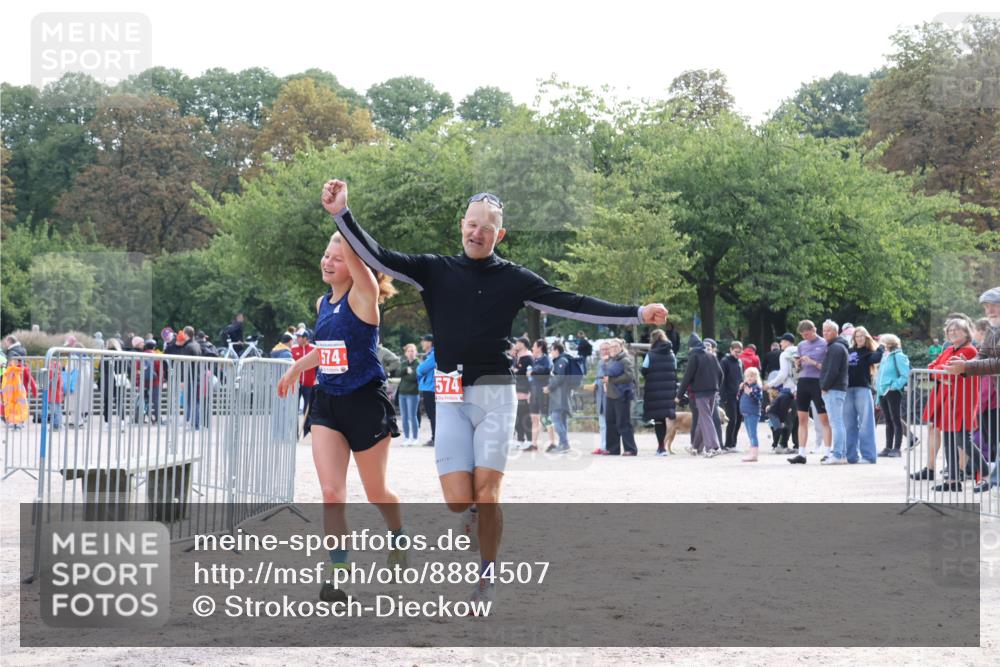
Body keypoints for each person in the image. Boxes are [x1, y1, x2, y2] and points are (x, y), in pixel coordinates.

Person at [324, 179, 668, 608]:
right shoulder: (435, 269)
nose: (477, 233)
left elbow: (573, 303)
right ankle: (468, 514)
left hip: (495, 392)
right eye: (471, 224)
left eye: (486, 228)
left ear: (498, 235)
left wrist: (636, 313)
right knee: (456, 501)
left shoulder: (514, 278)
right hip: (450, 395)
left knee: (488, 495)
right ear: (461, 226)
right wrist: (342, 213)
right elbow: (379, 257)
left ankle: (485, 578)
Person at [276, 228, 407, 603]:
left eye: (337, 257)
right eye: (326, 255)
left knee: (376, 491)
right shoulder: (322, 303)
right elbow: (327, 348)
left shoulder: (364, 296)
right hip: (328, 403)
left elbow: (356, 256)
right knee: (332, 493)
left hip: (366, 403)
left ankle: (398, 535)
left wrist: (340, 219)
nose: (328, 261)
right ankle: (338, 573)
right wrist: (295, 368)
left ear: (353, 265)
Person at [911, 318, 984, 491]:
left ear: (966, 333)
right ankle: (952, 481)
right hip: (947, 399)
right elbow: (934, 367)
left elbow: (949, 372)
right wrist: (939, 374)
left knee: (960, 439)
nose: (952, 333)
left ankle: (984, 471)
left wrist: (939, 373)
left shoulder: (969, 351)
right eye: (950, 331)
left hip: (960, 399)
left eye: (956, 330)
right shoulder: (950, 349)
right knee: (949, 439)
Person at [944, 287, 1000, 492]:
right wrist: (965, 362)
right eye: (987, 306)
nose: (989, 310)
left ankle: (995, 482)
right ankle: (995, 482)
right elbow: (983, 356)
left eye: (994, 305)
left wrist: (967, 367)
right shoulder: (994, 330)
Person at [788, 320, 832, 464]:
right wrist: (798, 363)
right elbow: (798, 368)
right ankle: (801, 453)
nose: (805, 337)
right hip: (803, 382)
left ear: (814, 330)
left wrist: (812, 362)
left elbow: (827, 367)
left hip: (818, 382)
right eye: (802, 335)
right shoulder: (801, 345)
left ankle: (827, 452)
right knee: (802, 419)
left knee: (824, 419)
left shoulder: (825, 343)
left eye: (807, 334)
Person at [678, 333, 723, 457]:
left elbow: (687, 377)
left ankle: (714, 447)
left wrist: (679, 395)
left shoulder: (694, 356)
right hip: (713, 392)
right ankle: (696, 447)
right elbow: (720, 374)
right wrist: (717, 388)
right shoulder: (712, 356)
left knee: (705, 419)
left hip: (700, 393)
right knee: (702, 419)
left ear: (691, 347)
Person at [843, 326, 883, 464]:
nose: (859, 338)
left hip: (862, 389)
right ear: (853, 338)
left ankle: (869, 456)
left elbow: (878, 356)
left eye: (862, 336)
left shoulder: (868, 353)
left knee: (866, 423)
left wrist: (881, 345)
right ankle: (851, 456)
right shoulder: (848, 351)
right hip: (847, 390)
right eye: (857, 336)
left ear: (866, 338)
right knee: (848, 424)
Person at [817, 320, 850, 464]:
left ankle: (837, 455)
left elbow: (832, 370)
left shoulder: (836, 348)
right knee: (838, 423)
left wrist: (824, 386)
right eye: (823, 331)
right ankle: (840, 454)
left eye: (828, 330)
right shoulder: (837, 346)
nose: (825, 333)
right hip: (837, 388)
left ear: (836, 332)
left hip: (834, 389)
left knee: (836, 423)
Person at [641, 329, 678, 456]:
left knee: (659, 420)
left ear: (653, 339)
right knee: (666, 418)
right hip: (668, 391)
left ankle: (661, 448)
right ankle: (664, 448)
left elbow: (644, 370)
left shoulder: (650, 354)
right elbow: (675, 369)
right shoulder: (672, 354)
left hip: (654, 390)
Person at [875, 334, 910, 458]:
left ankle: (896, 448)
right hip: (883, 392)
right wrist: (878, 395)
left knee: (896, 419)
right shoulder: (885, 356)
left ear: (888, 343)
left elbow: (906, 374)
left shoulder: (899, 356)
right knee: (888, 421)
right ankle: (888, 447)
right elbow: (879, 377)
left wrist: (894, 386)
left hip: (893, 392)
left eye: (882, 342)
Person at [604, 339, 638, 456]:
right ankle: (613, 449)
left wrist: (612, 380)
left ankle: (630, 449)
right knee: (610, 422)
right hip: (610, 395)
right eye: (611, 346)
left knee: (623, 423)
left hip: (621, 395)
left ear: (621, 347)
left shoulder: (625, 359)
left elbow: (629, 376)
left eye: (615, 346)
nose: (612, 348)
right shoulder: (611, 360)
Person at [526, 339, 555, 452]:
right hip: (534, 391)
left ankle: (553, 443)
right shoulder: (535, 360)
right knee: (534, 418)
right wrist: (529, 392)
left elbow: (546, 370)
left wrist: (533, 371)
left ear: (540, 347)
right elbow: (532, 378)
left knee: (545, 417)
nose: (532, 348)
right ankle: (534, 444)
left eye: (534, 346)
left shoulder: (546, 359)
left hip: (543, 392)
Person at [545, 341, 574, 453]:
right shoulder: (562, 360)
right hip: (561, 394)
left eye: (551, 350)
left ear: (556, 350)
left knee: (556, 418)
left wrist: (549, 387)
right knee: (561, 420)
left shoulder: (561, 361)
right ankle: (563, 444)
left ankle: (565, 444)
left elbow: (559, 377)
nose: (550, 352)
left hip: (560, 395)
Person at [720, 341, 745, 451]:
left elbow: (741, 377)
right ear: (730, 350)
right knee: (732, 420)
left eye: (739, 352)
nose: (737, 354)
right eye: (735, 352)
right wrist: (723, 396)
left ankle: (733, 443)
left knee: (739, 419)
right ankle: (728, 444)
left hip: (739, 395)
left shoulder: (740, 362)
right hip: (729, 395)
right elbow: (722, 380)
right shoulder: (725, 362)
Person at [510, 337, 534, 448]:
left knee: (525, 415)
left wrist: (530, 391)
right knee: (517, 416)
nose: (516, 344)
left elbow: (529, 375)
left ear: (523, 344)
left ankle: (529, 440)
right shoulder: (517, 357)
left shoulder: (528, 358)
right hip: (517, 388)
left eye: (518, 343)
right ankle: (520, 440)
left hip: (525, 390)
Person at [397, 343, 422, 445]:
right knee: (404, 417)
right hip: (402, 393)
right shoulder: (403, 363)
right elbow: (398, 373)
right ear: (406, 353)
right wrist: (405, 370)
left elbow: (414, 378)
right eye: (409, 351)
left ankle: (415, 438)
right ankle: (407, 438)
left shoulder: (418, 364)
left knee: (412, 416)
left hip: (413, 394)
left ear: (415, 352)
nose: (411, 353)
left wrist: (405, 375)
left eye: (413, 351)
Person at [291, 329, 316, 420]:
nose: (297, 338)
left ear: (305, 338)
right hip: (297, 384)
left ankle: (306, 431)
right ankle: (295, 432)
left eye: (299, 337)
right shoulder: (293, 348)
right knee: (294, 409)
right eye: (297, 336)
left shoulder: (313, 348)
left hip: (309, 384)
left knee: (308, 410)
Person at [739, 367, 764, 462]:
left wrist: (751, 393)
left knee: (753, 434)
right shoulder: (746, 386)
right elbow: (738, 397)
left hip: (753, 413)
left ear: (756, 377)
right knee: (750, 434)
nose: (749, 378)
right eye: (748, 376)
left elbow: (759, 399)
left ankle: (754, 455)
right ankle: (752, 453)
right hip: (745, 414)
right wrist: (740, 389)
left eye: (752, 376)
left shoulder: (756, 387)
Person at [592, 341, 612, 455]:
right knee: (602, 424)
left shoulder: (612, 362)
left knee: (608, 423)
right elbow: (598, 377)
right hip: (600, 395)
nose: (604, 351)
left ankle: (607, 446)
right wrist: (595, 383)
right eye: (602, 349)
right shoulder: (600, 362)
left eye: (606, 349)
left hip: (608, 396)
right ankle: (602, 445)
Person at [416, 334, 436, 447]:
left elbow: (421, 368)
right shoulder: (430, 354)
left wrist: (419, 370)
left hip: (431, 388)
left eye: (423, 341)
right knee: (431, 414)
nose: (422, 343)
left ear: (430, 342)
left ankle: (435, 438)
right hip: (428, 388)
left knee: (433, 414)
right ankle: (434, 437)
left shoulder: (433, 354)